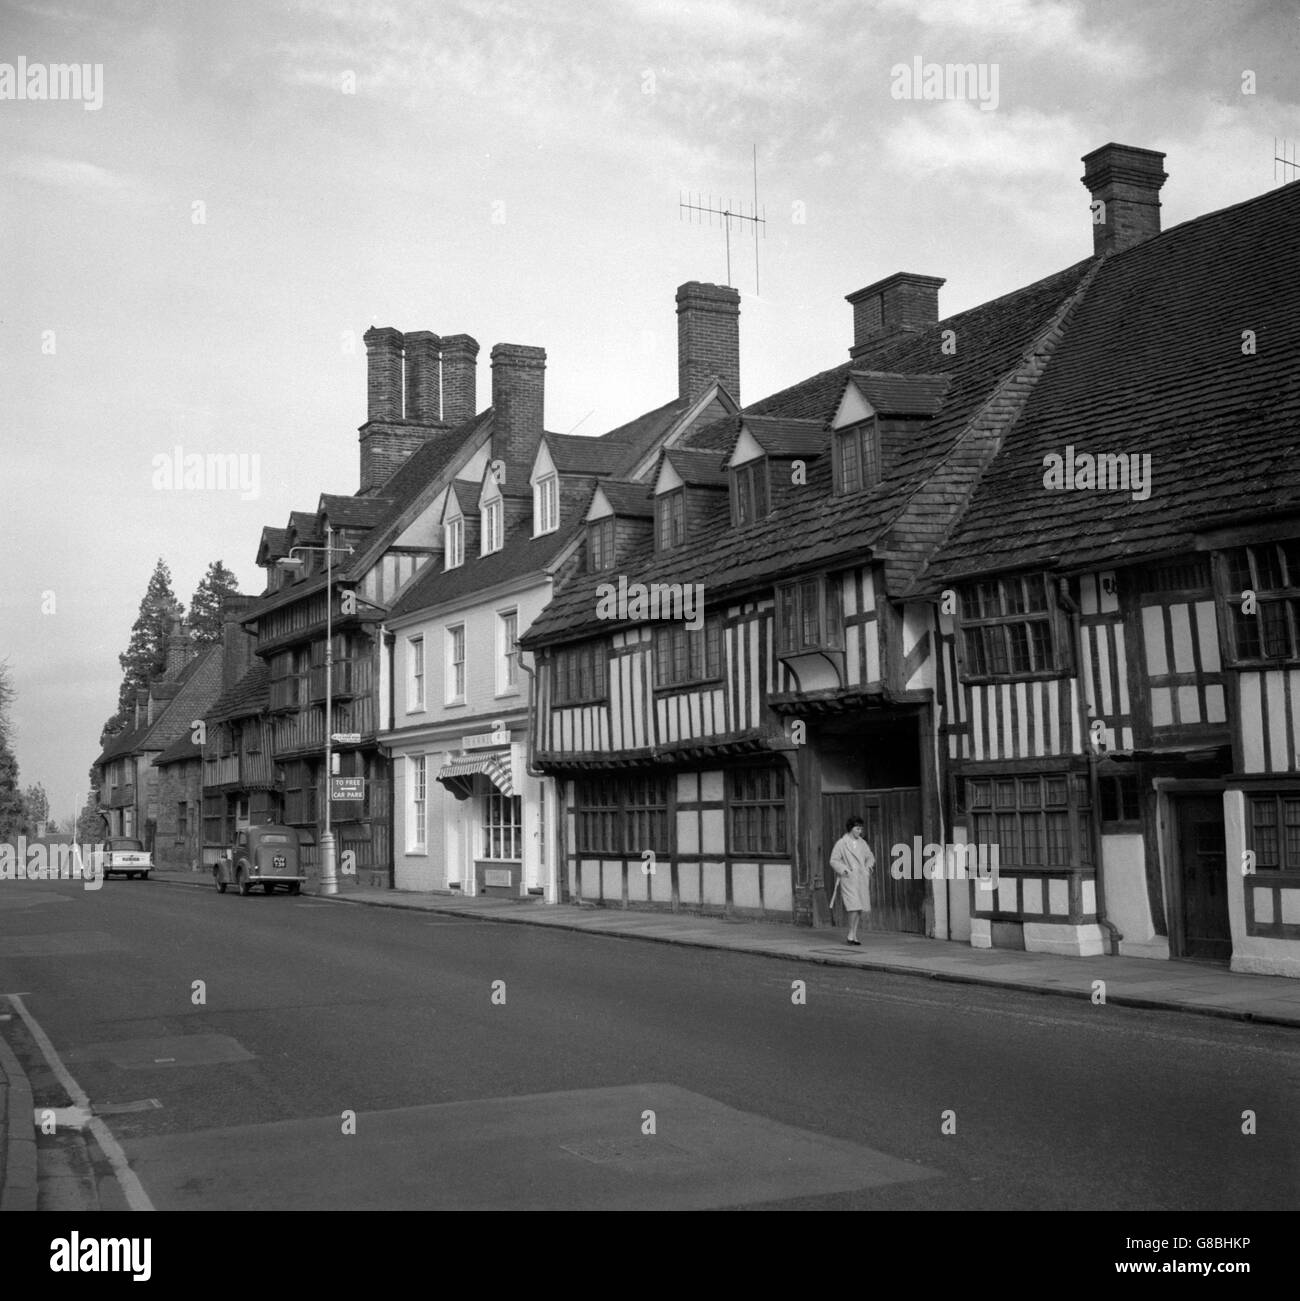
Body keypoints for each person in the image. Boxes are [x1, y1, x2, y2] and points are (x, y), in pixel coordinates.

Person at [829, 815, 874, 945]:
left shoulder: (862, 843)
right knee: (853, 906)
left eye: (861, 829)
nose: (860, 831)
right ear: (851, 828)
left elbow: (870, 857)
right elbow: (833, 860)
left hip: (861, 878)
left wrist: (868, 868)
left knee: (859, 907)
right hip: (848, 878)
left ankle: (854, 934)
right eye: (857, 828)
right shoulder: (841, 843)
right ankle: (850, 933)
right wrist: (844, 870)